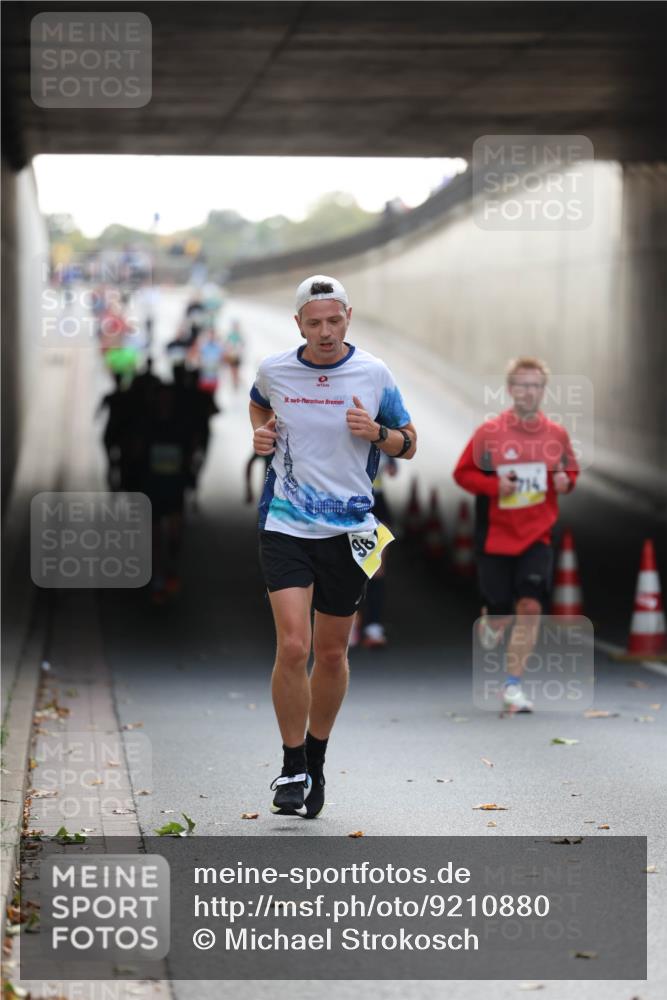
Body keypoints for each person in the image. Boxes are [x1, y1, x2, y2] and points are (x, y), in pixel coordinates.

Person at [249, 275, 417, 818]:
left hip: (349, 530)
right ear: (298, 323)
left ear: (348, 316)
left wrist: (377, 434)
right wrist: (263, 433)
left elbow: (409, 443)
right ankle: (291, 764)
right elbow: (258, 405)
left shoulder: (372, 374)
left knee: (330, 653)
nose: (325, 332)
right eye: (313, 322)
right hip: (286, 523)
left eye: (334, 320)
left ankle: (316, 760)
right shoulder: (275, 370)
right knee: (294, 646)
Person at [453, 357, 579, 713]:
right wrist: (495, 485)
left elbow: (569, 473)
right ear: (510, 390)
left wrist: (564, 481)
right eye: (522, 384)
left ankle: (513, 685)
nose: (529, 391)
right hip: (495, 536)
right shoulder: (490, 433)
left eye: (535, 385)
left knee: (530, 605)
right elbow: (462, 474)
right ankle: (492, 619)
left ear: (543, 390)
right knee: (500, 611)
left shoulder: (556, 434)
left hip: (537, 535)